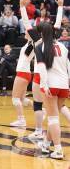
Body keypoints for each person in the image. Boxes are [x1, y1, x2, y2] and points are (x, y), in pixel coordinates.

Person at [36, 22, 69, 160]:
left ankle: (58, 150)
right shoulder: (63, 46)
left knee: (53, 118)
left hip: (50, 85)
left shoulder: (40, 47)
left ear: (41, 33)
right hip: (64, 85)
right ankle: (46, 144)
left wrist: (44, 85)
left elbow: (42, 69)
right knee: (53, 116)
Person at [10, 0, 40, 127]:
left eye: (29, 32)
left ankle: (21, 120)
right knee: (22, 98)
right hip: (25, 72)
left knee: (15, 99)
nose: (27, 32)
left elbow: (27, 23)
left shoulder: (34, 42)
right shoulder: (29, 43)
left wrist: (22, 7)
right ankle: (41, 109)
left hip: (22, 73)